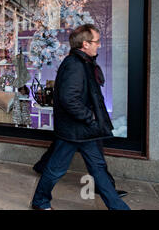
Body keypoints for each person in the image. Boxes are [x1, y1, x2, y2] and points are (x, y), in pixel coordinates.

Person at [31, 24, 130, 210]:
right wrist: (89, 116)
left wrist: (91, 119)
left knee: (98, 168)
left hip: (84, 130)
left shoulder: (83, 62)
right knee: (56, 168)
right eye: (96, 42)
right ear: (85, 44)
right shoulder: (74, 65)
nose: (99, 45)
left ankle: (119, 208)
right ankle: (40, 201)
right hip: (76, 129)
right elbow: (68, 99)